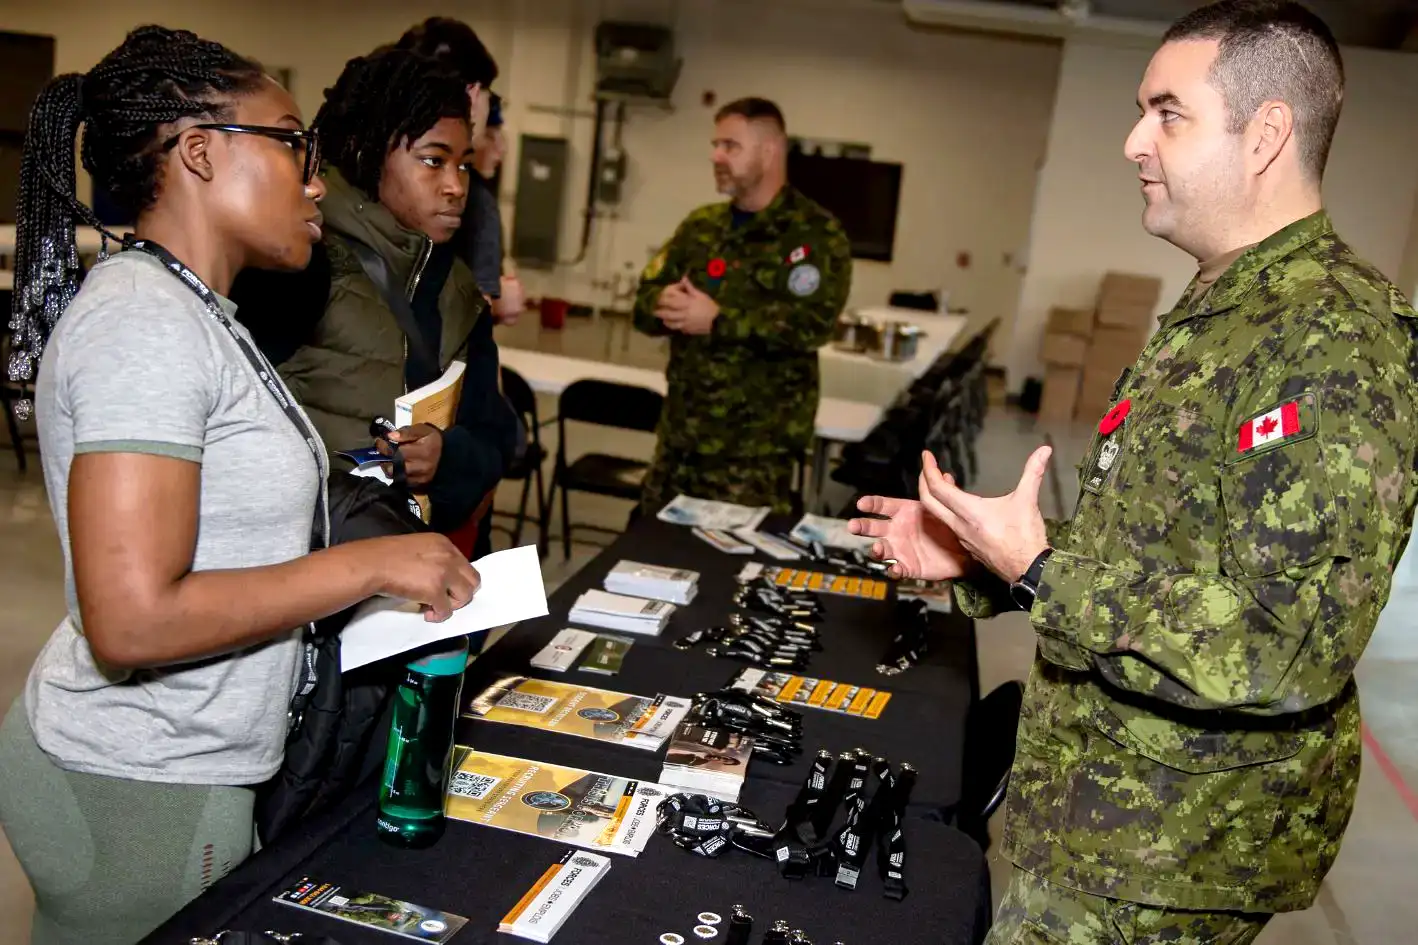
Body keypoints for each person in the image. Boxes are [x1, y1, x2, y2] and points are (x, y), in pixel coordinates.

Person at [851, 3, 1418, 943]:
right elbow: (1161, 555)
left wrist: (1041, 569)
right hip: (1100, 819)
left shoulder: (1334, 340)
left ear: (1266, 133)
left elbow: (1284, 646)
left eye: (1167, 112)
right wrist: (988, 556)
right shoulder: (1229, 305)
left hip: (1164, 853)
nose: (1132, 142)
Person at [0, 27, 478, 944]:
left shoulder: (195, 313)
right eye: (292, 144)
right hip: (141, 785)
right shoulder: (144, 325)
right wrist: (370, 566)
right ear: (199, 152)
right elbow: (133, 619)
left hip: (180, 766)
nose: (314, 178)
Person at [274, 47, 518, 546]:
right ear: (368, 152)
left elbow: (496, 436)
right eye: (432, 161)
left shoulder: (459, 288)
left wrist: (446, 456)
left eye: (464, 165)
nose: (454, 186)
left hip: (424, 573)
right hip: (313, 576)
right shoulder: (300, 264)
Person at [633, 97, 852, 514]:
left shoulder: (814, 235)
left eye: (730, 146)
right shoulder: (701, 227)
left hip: (754, 454)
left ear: (769, 151)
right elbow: (644, 299)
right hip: (681, 439)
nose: (716, 156)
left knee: (732, 572)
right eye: (716, 145)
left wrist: (718, 320)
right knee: (649, 553)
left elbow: (813, 325)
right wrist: (659, 302)